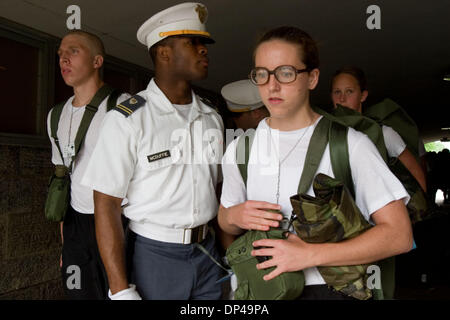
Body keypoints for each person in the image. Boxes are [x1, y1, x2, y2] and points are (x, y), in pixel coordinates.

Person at [218, 26, 413, 300]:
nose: (272, 85)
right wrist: (234, 216)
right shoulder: (241, 148)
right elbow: (225, 220)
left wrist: (310, 255)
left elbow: (399, 236)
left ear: (312, 78)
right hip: (261, 289)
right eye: (262, 74)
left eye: (285, 73)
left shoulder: (348, 144)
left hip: (329, 290)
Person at [81, 2, 225, 300]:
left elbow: (219, 189)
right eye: (193, 42)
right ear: (164, 52)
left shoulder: (212, 117)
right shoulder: (128, 119)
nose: (204, 50)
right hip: (155, 255)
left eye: (204, 43)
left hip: (208, 253)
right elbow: (106, 205)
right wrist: (120, 290)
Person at [47, 30, 130, 299]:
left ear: (97, 61)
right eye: (60, 54)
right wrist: (66, 245)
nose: (63, 59)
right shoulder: (55, 115)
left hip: (120, 220)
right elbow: (64, 181)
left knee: (120, 294)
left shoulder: (125, 106)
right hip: (76, 226)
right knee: (77, 294)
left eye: (73, 51)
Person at [330, 66, 427, 192]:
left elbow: (415, 172)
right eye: (337, 92)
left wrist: (420, 208)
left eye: (349, 91)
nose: (342, 99)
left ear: (363, 96)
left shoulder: (383, 133)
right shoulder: (325, 133)